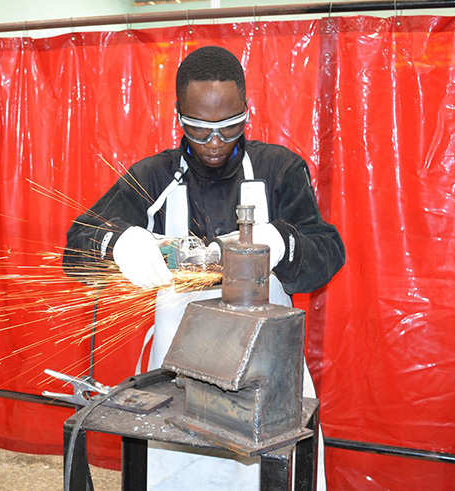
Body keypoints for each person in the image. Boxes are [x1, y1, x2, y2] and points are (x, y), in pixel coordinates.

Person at [64, 46, 344, 491]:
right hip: (179, 378)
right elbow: (76, 248)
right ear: (178, 115)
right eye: (198, 128)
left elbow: (328, 252)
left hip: (269, 374)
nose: (215, 142)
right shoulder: (154, 177)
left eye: (229, 126)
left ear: (247, 111)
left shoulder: (279, 170)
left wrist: (283, 240)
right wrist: (116, 242)